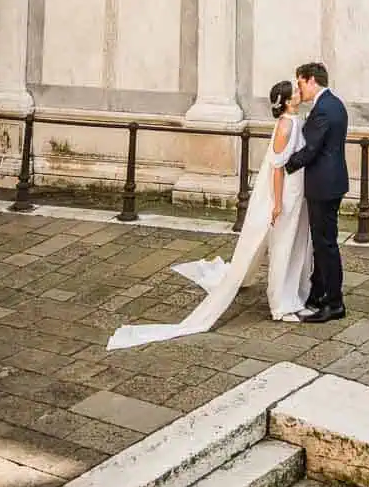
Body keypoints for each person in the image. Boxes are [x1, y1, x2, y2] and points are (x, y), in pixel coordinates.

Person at [105, 79, 312, 349]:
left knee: (291, 242)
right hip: (282, 192)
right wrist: (276, 203)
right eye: (294, 92)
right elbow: (276, 167)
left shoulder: (296, 120)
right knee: (281, 245)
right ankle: (280, 305)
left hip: (294, 191)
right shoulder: (286, 125)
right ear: (285, 101)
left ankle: (292, 295)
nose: (299, 92)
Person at [284, 62, 349, 322]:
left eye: (300, 83)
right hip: (332, 182)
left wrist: (284, 165)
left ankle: (334, 303)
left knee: (326, 245)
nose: (299, 89)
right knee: (323, 243)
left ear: (312, 81)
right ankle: (318, 293)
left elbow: (310, 149)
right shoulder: (336, 103)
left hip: (323, 185)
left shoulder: (322, 110)